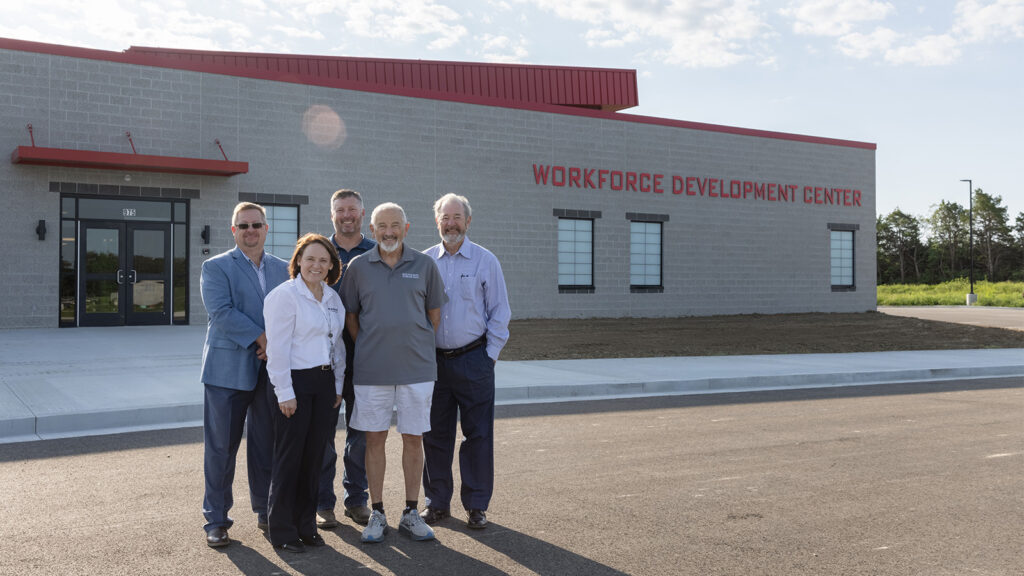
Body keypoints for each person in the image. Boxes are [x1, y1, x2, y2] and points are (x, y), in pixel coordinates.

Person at [338, 202, 447, 543]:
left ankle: (412, 512)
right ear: (372, 230)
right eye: (382, 226)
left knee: (414, 439)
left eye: (395, 225)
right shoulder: (357, 267)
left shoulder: (425, 265)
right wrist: (375, 346)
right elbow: (351, 318)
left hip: (417, 370)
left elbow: (434, 316)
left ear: (406, 228)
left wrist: (409, 345)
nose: (388, 232)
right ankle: (378, 513)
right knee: (374, 440)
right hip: (372, 372)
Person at [200, 202, 289, 548]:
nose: (250, 230)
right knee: (221, 448)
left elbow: (290, 310)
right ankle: (217, 519)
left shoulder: (284, 268)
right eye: (243, 225)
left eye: (256, 224)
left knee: (267, 445)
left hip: (271, 370)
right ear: (233, 230)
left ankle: (267, 509)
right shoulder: (216, 266)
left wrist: (277, 345)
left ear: (267, 229)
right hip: (227, 371)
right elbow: (221, 311)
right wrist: (263, 338)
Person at [420, 194, 511, 530]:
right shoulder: (426, 261)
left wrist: (489, 356)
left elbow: (500, 312)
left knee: (478, 436)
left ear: (468, 221)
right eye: (445, 217)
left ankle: (476, 505)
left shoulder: (485, 261)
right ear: (437, 221)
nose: (451, 223)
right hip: (434, 364)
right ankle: (437, 503)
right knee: (434, 435)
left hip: (475, 359)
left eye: (457, 217)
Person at [263, 233, 346, 553]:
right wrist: (284, 392)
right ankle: (282, 531)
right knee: (289, 459)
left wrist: (337, 385)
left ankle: (306, 525)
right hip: (294, 384)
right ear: (297, 261)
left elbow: (336, 345)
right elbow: (277, 349)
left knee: (314, 458)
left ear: (331, 267)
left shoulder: (332, 298)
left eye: (323, 260)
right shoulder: (284, 296)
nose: (316, 265)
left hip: (324, 386)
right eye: (310, 258)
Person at [316, 189, 376, 529]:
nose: (347, 215)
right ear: (332, 214)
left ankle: (357, 500)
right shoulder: (319, 252)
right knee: (323, 436)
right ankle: (323, 502)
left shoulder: (377, 252)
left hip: (365, 359)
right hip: (322, 362)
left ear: (362, 213)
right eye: (340, 210)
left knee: (361, 435)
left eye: (352, 209)